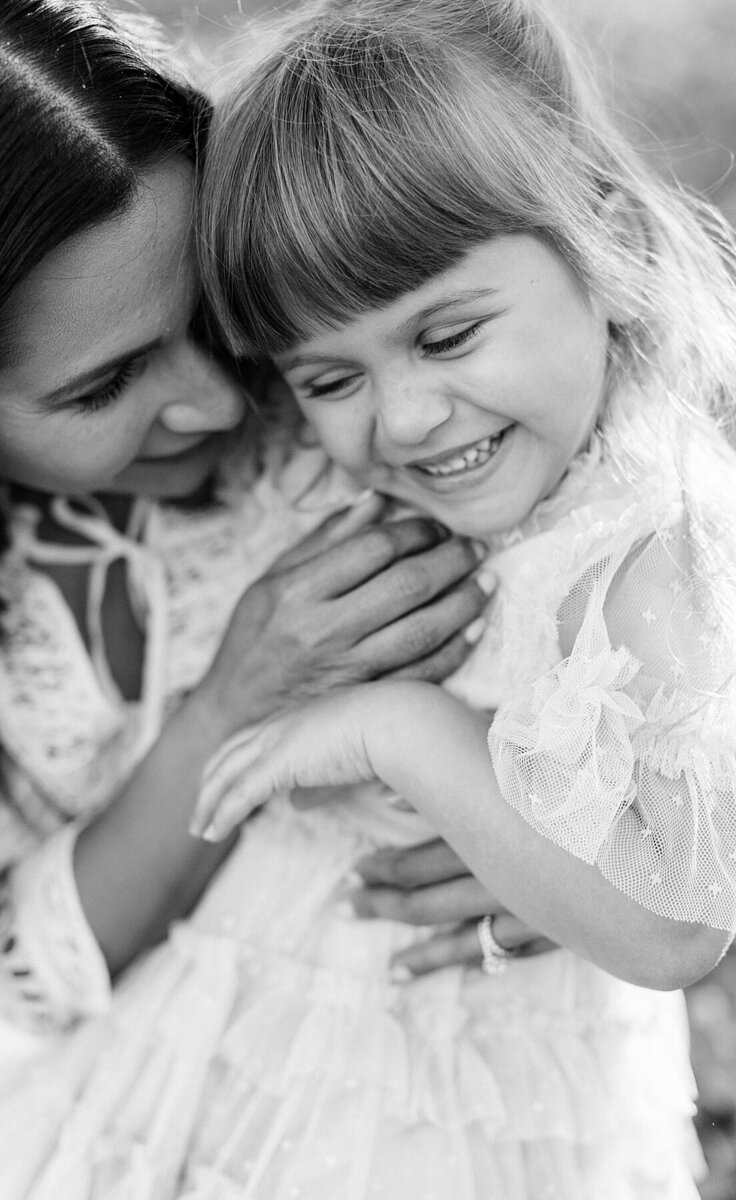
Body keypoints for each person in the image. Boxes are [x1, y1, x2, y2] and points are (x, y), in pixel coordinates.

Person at [0, 2, 521, 1195]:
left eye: (210, 311)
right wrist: (228, 706)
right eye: (105, 386)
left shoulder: (358, 398)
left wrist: (579, 851)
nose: (213, 399)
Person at [189, 0, 736, 1194]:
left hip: (486, 1124)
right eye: (330, 376)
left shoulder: (649, 543)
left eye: (445, 336)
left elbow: (677, 925)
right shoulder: (473, 490)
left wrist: (401, 733)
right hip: (301, 1069)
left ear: (605, 245)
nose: (400, 418)